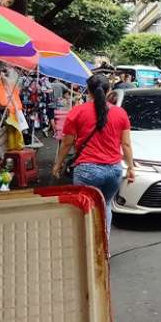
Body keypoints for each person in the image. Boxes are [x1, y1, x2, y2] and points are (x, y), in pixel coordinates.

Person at [52, 74, 136, 238]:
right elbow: (125, 144)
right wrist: (131, 167)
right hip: (114, 170)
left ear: (88, 91)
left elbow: (67, 143)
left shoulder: (77, 111)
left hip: (87, 171)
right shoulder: (120, 113)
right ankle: (103, 250)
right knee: (105, 207)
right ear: (109, 90)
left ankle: (87, 250)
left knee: (84, 208)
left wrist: (57, 164)